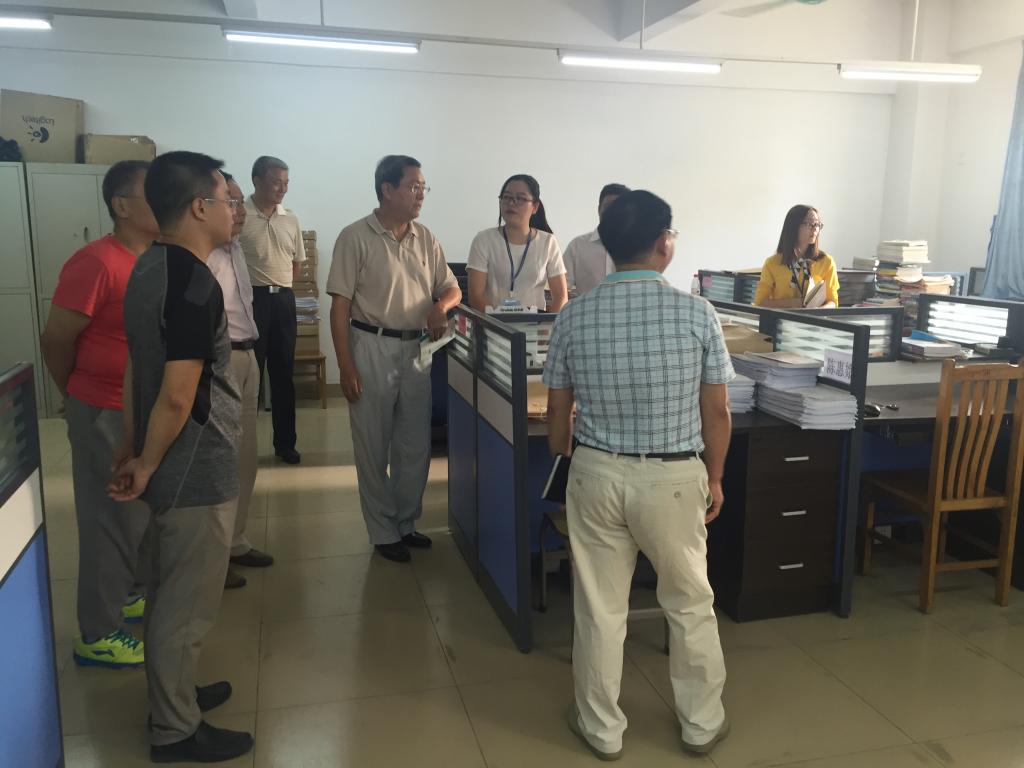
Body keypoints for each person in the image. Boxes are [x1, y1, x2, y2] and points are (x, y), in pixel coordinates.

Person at [544, 190, 733, 760]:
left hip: (596, 472)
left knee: (600, 609)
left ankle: (601, 728)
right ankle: (701, 724)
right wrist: (714, 478)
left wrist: (571, 453)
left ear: (607, 245)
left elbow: (557, 420)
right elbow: (717, 411)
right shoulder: (697, 313)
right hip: (673, 479)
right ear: (663, 243)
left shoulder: (573, 314)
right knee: (689, 602)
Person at [110, 151, 252, 763]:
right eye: (226, 199)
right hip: (195, 462)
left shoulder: (148, 267)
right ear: (199, 207)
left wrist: (134, 445)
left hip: (166, 453)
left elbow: (135, 368)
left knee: (170, 588)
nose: (233, 210)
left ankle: (177, 694)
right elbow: (177, 390)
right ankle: (174, 728)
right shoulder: (194, 284)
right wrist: (144, 462)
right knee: (186, 603)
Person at [40, 160, 157, 669]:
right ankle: (98, 632)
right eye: (152, 192)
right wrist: (74, 393)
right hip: (103, 408)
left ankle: (128, 595)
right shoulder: (96, 262)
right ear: (121, 205)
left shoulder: (153, 259)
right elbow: (55, 339)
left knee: (138, 516)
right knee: (109, 520)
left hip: (138, 408)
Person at [327, 155, 461, 563]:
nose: (421, 194)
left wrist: (440, 306)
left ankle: (406, 521)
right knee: (372, 442)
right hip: (371, 345)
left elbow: (452, 288)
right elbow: (339, 306)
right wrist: (345, 365)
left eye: (423, 187)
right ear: (387, 189)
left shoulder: (426, 238)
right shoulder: (355, 236)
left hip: (417, 350)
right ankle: (382, 529)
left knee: (414, 444)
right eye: (413, 186)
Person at [206, 172, 275, 589]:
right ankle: (212, 558)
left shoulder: (235, 248)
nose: (239, 210)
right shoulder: (200, 256)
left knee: (245, 458)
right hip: (221, 359)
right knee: (221, 461)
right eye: (230, 202)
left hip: (247, 355)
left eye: (238, 202)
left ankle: (235, 541)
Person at [238, 155, 305, 464]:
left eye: (286, 183)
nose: (283, 189)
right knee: (250, 375)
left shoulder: (290, 218)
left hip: (283, 301)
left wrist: (279, 287)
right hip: (251, 301)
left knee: (283, 374)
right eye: (277, 182)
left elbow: (296, 264)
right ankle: (244, 446)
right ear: (257, 181)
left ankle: (285, 443)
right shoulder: (240, 215)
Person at [467, 174, 568, 312]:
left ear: (535, 207)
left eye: (520, 198)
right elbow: (476, 296)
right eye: (506, 197)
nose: (511, 203)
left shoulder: (548, 242)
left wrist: (550, 324)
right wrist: (498, 321)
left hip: (536, 323)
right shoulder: (483, 240)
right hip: (492, 322)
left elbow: (561, 297)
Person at [753, 204, 839, 308]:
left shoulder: (826, 262)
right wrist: (800, 303)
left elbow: (833, 302)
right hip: (781, 317)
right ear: (793, 227)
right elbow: (760, 303)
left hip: (814, 317)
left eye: (817, 224)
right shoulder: (772, 263)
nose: (814, 229)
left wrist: (818, 310)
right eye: (808, 224)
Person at [562, 183, 630, 297]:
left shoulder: (637, 248)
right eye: (608, 206)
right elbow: (562, 290)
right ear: (599, 209)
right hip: (586, 308)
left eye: (619, 207)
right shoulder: (577, 246)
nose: (612, 211)